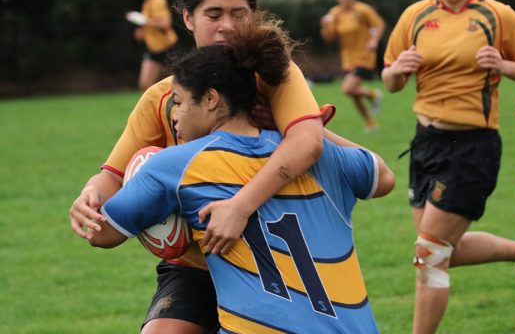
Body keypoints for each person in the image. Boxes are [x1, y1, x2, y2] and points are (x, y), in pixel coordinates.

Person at [70, 0, 333, 334]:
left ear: (254, 17)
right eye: (213, 14)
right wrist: (91, 195)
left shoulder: (276, 77)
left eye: (238, 13)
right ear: (188, 18)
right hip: (200, 264)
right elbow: (113, 175)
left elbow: (308, 143)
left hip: (277, 257)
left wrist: (240, 208)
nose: (226, 25)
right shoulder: (161, 98)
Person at [88, 19, 396, 333]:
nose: (175, 115)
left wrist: (149, 209)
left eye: (178, 103)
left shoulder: (174, 166)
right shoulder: (322, 156)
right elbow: (384, 177)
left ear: (210, 99)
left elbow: (102, 234)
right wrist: (311, 131)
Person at [381, 0, 515, 333]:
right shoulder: (415, 15)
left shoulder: (497, 15)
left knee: (429, 254)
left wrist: (503, 64)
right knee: (441, 249)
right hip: (424, 143)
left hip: (472, 147)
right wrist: (398, 70)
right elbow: (390, 81)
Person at [320, 0, 385, 132]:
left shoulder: (363, 10)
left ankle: (373, 94)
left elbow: (379, 24)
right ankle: (370, 123)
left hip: (364, 55)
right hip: (348, 59)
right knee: (354, 94)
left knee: (348, 88)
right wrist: (324, 26)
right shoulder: (334, 13)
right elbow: (329, 37)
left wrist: (374, 40)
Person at [128, 0, 179, 91]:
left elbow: (165, 23)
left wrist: (143, 20)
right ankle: (156, 107)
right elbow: (150, 25)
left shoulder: (158, 0)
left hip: (168, 48)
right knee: (144, 84)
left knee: (176, 86)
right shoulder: (147, 3)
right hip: (153, 50)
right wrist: (142, 32)